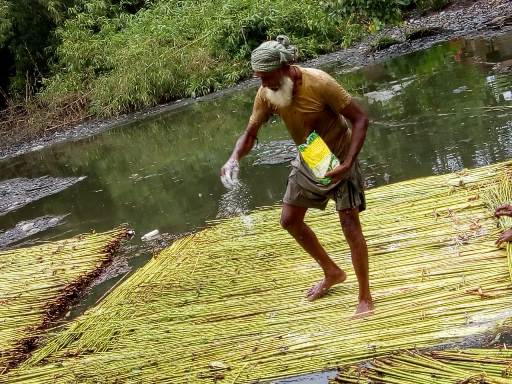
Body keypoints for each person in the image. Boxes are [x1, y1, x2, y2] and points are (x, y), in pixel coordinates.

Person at [220, 35, 373, 317]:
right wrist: (233, 158)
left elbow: (360, 119)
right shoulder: (267, 93)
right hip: (310, 156)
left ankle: (365, 297)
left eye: (267, 77)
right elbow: (251, 134)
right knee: (290, 220)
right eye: (259, 79)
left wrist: (348, 162)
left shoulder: (320, 82)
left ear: (285, 67)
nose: (264, 84)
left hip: (339, 155)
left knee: (350, 226)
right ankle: (332, 272)